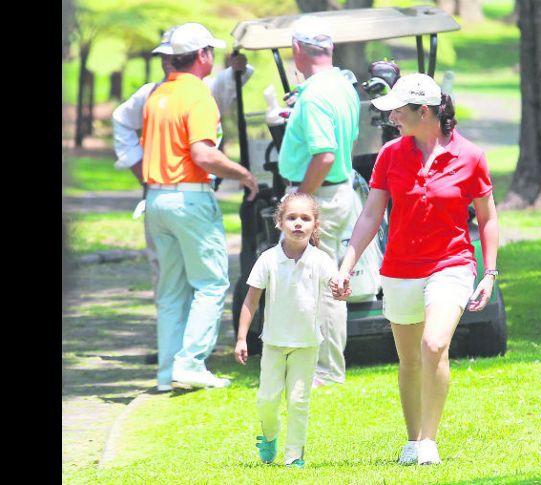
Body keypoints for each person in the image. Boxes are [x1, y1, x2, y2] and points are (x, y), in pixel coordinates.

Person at [331, 73, 499, 465]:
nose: (392, 119)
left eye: (398, 112)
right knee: (408, 360)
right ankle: (412, 439)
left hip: (451, 264)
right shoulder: (391, 154)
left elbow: (488, 219)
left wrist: (489, 273)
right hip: (400, 268)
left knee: (433, 344)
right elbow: (371, 215)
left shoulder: (470, 156)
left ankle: (428, 441)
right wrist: (346, 267)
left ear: (424, 112)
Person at [141, 22, 258, 391]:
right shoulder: (197, 96)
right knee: (210, 283)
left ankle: (167, 372)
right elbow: (203, 154)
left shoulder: (158, 95)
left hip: (156, 198)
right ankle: (190, 364)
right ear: (203, 56)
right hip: (189, 197)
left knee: (173, 289)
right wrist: (243, 174)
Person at [112, 25, 254, 293]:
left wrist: (236, 68)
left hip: (198, 190)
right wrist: (139, 166)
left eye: (173, 55)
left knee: (192, 281)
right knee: (176, 283)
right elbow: (121, 120)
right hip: (167, 193)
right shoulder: (151, 94)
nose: (169, 61)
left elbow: (234, 79)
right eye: (165, 56)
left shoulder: (203, 89)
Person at [277, 15, 361, 387]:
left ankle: (326, 371)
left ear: (298, 50)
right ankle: (318, 365)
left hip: (319, 195)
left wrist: (300, 199)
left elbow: (323, 155)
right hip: (337, 191)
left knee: (321, 285)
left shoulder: (314, 96)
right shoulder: (342, 85)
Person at [235, 192, 337, 469]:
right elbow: (251, 300)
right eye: (291, 217)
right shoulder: (268, 259)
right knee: (267, 399)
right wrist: (242, 337)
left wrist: (342, 289)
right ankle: (269, 436)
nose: (298, 224)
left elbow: (336, 286)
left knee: (299, 401)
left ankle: (294, 456)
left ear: (315, 225)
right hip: (274, 343)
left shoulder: (320, 259)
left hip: (306, 344)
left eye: (305, 218)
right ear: (280, 222)